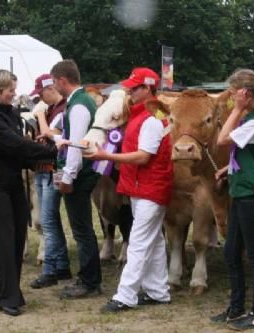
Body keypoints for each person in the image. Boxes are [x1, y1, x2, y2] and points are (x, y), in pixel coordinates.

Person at [84, 67, 173, 313]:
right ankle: (158, 291)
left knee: (138, 242)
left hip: (149, 187)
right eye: (130, 88)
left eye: (134, 88)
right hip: (142, 187)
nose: (129, 92)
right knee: (153, 241)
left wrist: (106, 155)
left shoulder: (152, 119)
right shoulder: (142, 115)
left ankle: (125, 295)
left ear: (147, 89)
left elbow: (144, 157)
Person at [0, 69, 58, 316]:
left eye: (13, 88)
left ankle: (1, 287)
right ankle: (9, 297)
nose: (14, 93)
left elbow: (18, 149)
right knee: (5, 237)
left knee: (18, 233)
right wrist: (54, 151)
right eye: (10, 89)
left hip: (11, 180)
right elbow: (16, 145)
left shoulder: (10, 113)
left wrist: (37, 155)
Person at [210, 69, 254, 330]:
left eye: (234, 93)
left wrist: (235, 110)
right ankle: (236, 309)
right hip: (243, 191)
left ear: (245, 94)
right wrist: (229, 168)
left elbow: (223, 140)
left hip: (252, 194)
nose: (231, 98)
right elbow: (250, 153)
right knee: (231, 250)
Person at [50, 60, 101, 299]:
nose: (54, 86)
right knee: (82, 228)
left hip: (79, 175)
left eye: (54, 82)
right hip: (78, 173)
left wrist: (68, 176)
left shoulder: (79, 106)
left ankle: (89, 281)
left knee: (82, 229)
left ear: (62, 80)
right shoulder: (79, 102)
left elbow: (77, 145)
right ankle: (88, 278)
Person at [28, 74, 72, 289]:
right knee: (50, 219)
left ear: (49, 89)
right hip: (43, 168)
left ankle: (50, 269)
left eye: (41, 94)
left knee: (48, 221)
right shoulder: (53, 109)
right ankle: (62, 265)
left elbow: (49, 135)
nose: (40, 99)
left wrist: (40, 116)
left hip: (53, 169)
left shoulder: (63, 109)